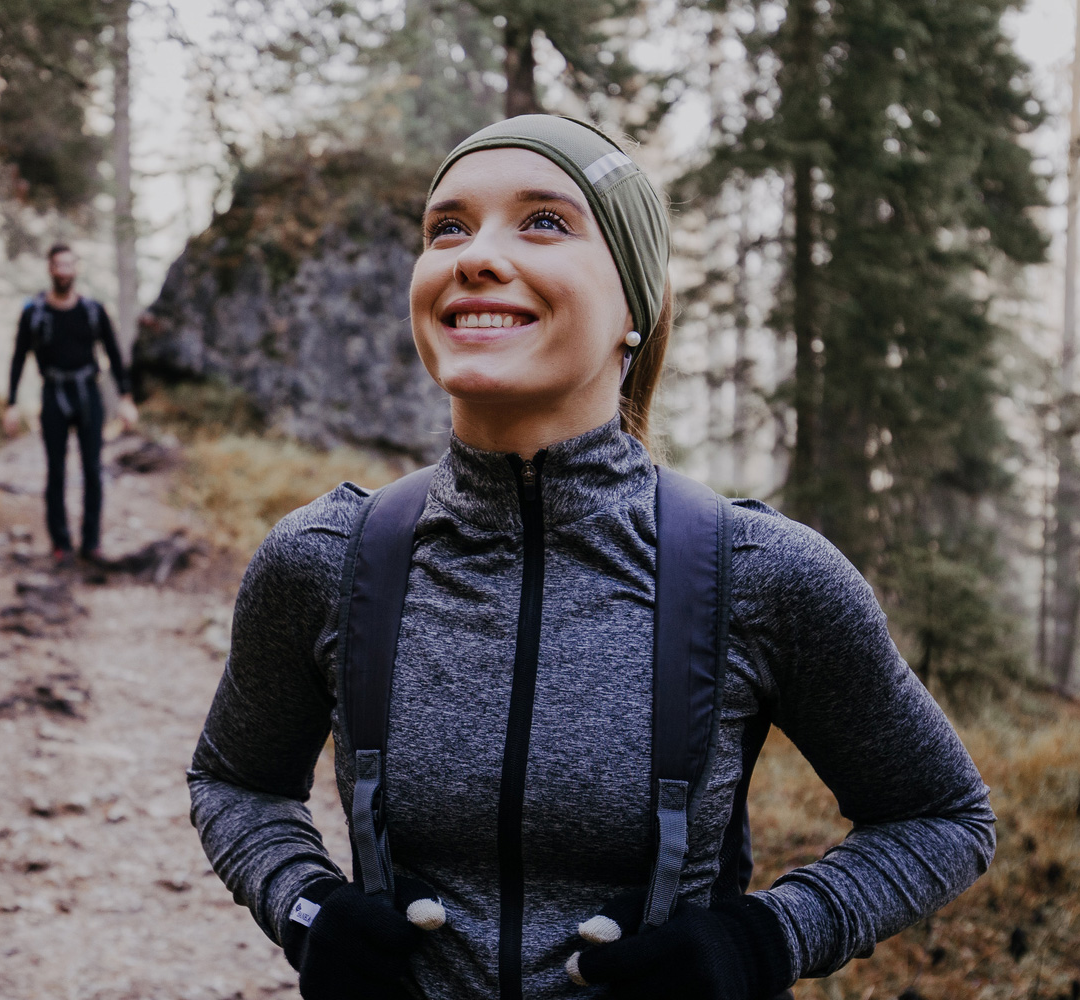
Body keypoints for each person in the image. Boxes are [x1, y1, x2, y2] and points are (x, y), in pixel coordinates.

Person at [187, 115, 995, 1000]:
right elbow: (236, 782)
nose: (475, 256)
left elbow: (940, 815)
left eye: (544, 221)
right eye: (446, 228)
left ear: (634, 310)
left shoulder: (763, 573)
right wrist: (308, 909)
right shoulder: (324, 559)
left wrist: (759, 941)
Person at [5, 244, 139, 563]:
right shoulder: (34, 313)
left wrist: (125, 398)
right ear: (50, 269)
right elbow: (18, 357)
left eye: (69, 265)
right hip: (53, 395)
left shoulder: (93, 311)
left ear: (76, 269)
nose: (63, 270)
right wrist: (10, 403)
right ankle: (60, 544)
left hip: (88, 395)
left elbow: (114, 354)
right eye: (58, 265)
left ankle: (91, 543)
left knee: (93, 469)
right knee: (55, 471)